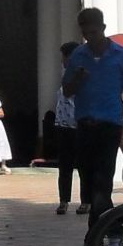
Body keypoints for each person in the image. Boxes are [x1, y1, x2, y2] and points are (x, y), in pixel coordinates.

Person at [63, 7, 123, 237]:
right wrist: (77, 78)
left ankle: (94, 238)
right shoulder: (78, 56)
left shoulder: (121, 55)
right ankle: (113, 230)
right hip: (85, 126)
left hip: (110, 126)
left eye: (94, 32)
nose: (90, 38)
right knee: (89, 186)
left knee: (102, 181)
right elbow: (67, 91)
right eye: (86, 34)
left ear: (103, 29)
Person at [53, 41, 85, 215]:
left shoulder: (82, 73)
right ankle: (63, 200)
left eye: (64, 57)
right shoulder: (65, 74)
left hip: (79, 124)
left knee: (83, 165)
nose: (62, 61)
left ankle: (85, 201)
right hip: (63, 125)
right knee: (64, 165)